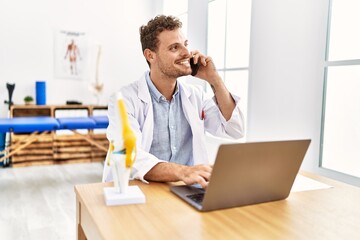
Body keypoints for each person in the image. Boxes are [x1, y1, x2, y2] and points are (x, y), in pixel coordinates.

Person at [103, 15, 244, 188]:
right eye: (174, 48)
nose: (186, 53)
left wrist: (214, 80)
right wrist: (183, 172)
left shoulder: (195, 95)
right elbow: (129, 155)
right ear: (150, 55)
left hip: (188, 190)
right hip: (144, 190)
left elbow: (234, 129)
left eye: (185, 44)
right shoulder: (124, 99)